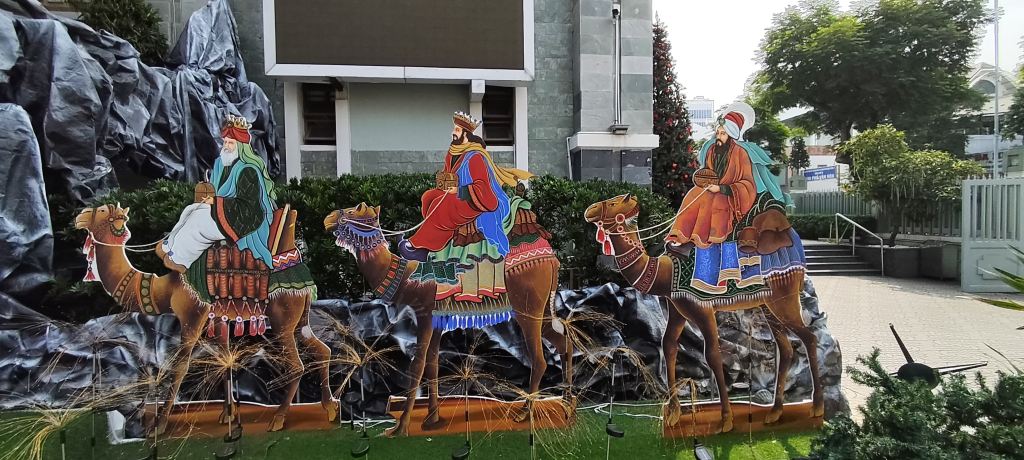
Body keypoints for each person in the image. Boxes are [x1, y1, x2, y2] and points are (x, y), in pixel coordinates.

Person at [665, 102, 790, 293]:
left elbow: (747, 184)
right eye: (718, 133)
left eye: (723, 133)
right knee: (694, 194)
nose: (719, 136)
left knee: (712, 203)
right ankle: (682, 239)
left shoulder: (741, 154)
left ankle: (710, 257)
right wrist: (707, 183)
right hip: (712, 191)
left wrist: (722, 188)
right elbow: (708, 173)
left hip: (733, 197)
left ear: (731, 135)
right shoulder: (712, 152)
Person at [158, 115, 276, 273]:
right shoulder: (221, 164)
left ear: (241, 146)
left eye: (231, 143)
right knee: (191, 210)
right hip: (224, 212)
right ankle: (170, 247)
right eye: (225, 142)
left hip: (244, 220)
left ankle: (181, 260)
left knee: (198, 222)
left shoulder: (248, 170)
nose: (226, 146)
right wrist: (212, 199)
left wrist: (216, 202)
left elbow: (249, 207)